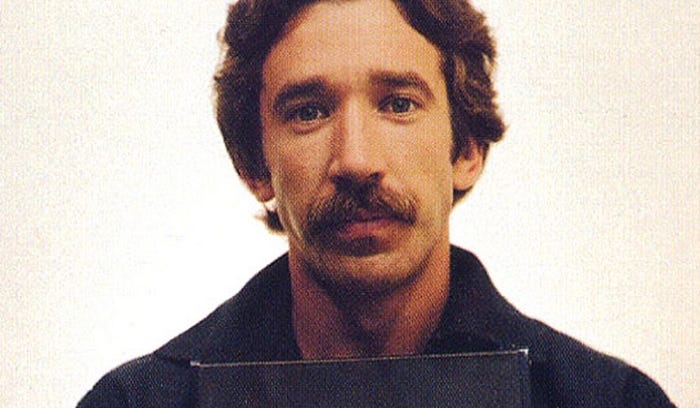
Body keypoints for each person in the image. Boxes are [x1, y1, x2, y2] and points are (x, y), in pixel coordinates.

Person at [78, 0, 674, 406]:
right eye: (309, 112)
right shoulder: (138, 403)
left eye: (398, 103)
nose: (356, 160)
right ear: (255, 165)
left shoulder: (607, 401)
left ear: (466, 147)